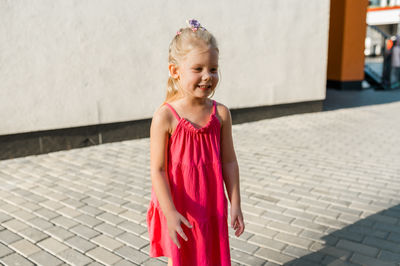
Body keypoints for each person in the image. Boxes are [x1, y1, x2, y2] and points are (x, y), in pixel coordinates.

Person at [146, 19, 245, 266]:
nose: (207, 77)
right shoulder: (165, 116)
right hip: (180, 204)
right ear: (175, 71)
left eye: (213, 69)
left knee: (210, 257)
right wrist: (169, 212)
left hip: (212, 204)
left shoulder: (221, 114)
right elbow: (157, 170)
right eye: (198, 69)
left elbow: (230, 162)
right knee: (181, 259)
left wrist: (236, 205)